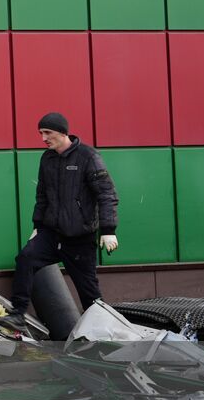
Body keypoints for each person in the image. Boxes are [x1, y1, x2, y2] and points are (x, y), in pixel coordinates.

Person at [6, 112, 119, 321]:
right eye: (40, 133)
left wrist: (108, 230)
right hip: (51, 233)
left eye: (47, 132)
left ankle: (105, 334)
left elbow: (106, 193)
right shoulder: (47, 158)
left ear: (63, 132)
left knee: (90, 295)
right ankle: (17, 314)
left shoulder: (88, 157)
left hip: (79, 238)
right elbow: (42, 195)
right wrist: (37, 226)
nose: (43, 138)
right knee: (26, 258)